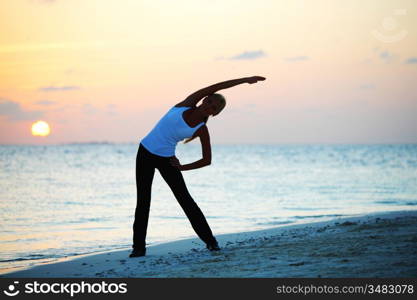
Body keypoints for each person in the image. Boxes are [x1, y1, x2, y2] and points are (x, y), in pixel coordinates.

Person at [130, 76, 266, 257]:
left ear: (215, 113)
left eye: (213, 107)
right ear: (204, 99)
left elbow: (206, 160)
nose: (209, 106)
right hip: (145, 152)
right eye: (209, 101)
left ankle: (211, 243)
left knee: (186, 201)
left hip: (167, 159)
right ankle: (138, 249)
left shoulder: (201, 129)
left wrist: (182, 167)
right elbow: (217, 85)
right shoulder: (187, 103)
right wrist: (245, 80)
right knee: (143, 201)